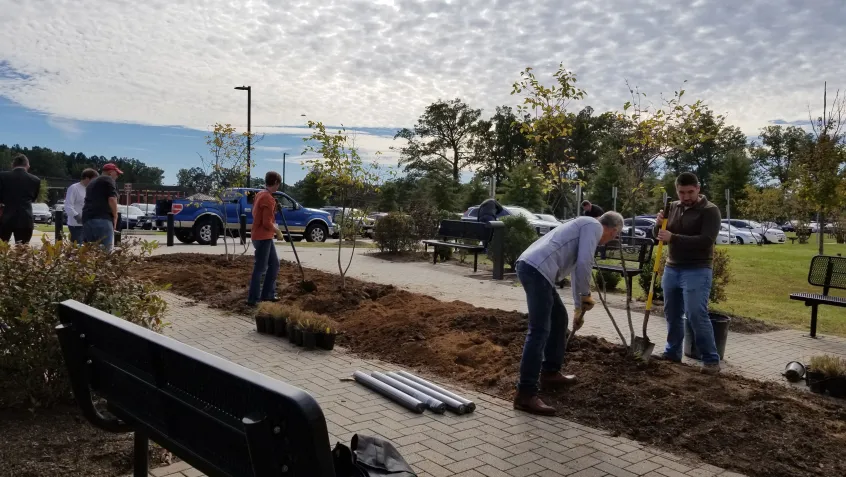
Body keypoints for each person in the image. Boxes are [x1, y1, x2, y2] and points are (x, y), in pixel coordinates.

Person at [513, 212, 624, 415]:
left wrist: (578, 306)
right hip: (537, 271)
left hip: (535, 269)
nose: (608, 241)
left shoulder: (583, 225)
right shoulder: (593, 226)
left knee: (559, 319)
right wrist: (584, 296)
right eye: (614, 237)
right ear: (613, 230)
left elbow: (576, 270)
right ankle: (525, 394)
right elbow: (584, 264)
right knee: (539, 331)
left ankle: (550, 372)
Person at [655, 172, 722, 374]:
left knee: (695, 313)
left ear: (698, 189)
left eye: (690, 192)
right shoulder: (672, 207)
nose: (685, 197)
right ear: (677, 190)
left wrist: (673, 237)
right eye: (681, 192)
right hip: (672, 267)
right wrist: (658, 224)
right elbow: (657, 236)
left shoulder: (710, 211)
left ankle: (711, 360)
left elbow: (706, 240)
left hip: (698, 269)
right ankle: (672, 352)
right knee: (672, 313)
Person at [247, 171, 283, 306]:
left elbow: (255, 213)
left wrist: (274, 210)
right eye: (278, 184)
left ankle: (268, 294)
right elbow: (266, 223)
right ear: (275, 183)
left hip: (261, 236)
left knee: (274, 264)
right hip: (263, 237)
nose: (278, 187)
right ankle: (253, 299)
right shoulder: (268, 198)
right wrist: (277, 231)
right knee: (260, 268)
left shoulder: (260, 194)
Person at [0, 154, 41, 244]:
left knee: (2, 250)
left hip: (5, 218)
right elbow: (33, 198)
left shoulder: (2, 176)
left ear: (13, 165)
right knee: (22, 253)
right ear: (27, 165)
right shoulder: (35, 180)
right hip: (25, 218)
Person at [82, 163, 123, 251]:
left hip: (87, 220)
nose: (117, 176)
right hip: (103, 219)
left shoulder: (91, 183)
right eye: (117, 174)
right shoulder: (109, 179)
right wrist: (115, 216)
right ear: (111, 172)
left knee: (91, 252)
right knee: (106, 253)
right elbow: (112, 199)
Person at [63, 168, 98, 243]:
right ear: (87, 178)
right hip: (76, 226)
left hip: (89, 224)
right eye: (94, 180)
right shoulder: (74, 188)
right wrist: (77, 216)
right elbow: (68, 206)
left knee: (89, 249)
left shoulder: (91, 189)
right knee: (78, 248)